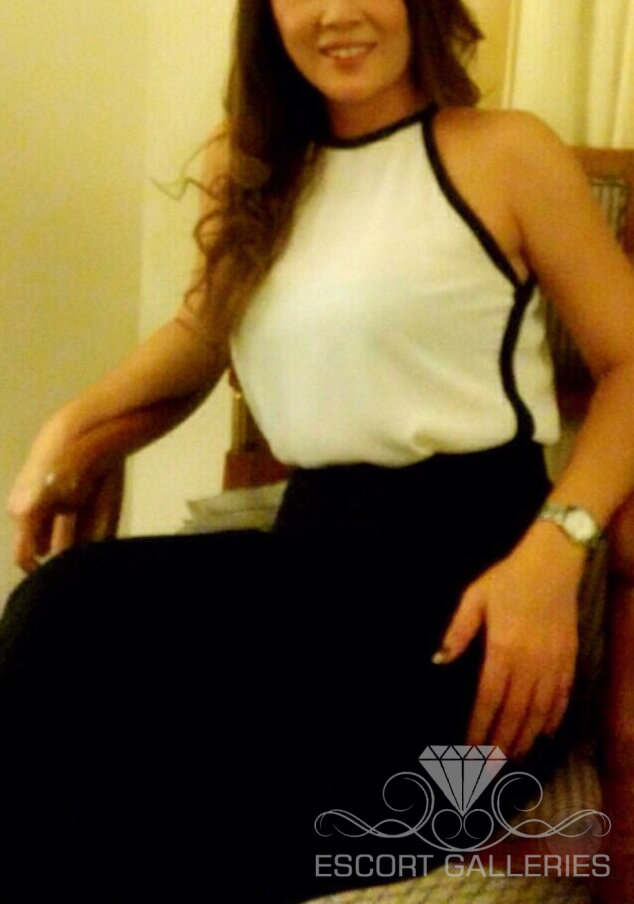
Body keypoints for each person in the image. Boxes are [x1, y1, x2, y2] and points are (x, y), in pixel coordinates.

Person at [4, 0, 634, 900]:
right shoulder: (252, 160)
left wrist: (555, 550)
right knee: (62, 617)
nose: (337, 13)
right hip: (309, 572)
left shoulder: (506, 152)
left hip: (470, 611)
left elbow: (629, 364)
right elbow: (203, 331)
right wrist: (70, 427)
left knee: (165, 802)